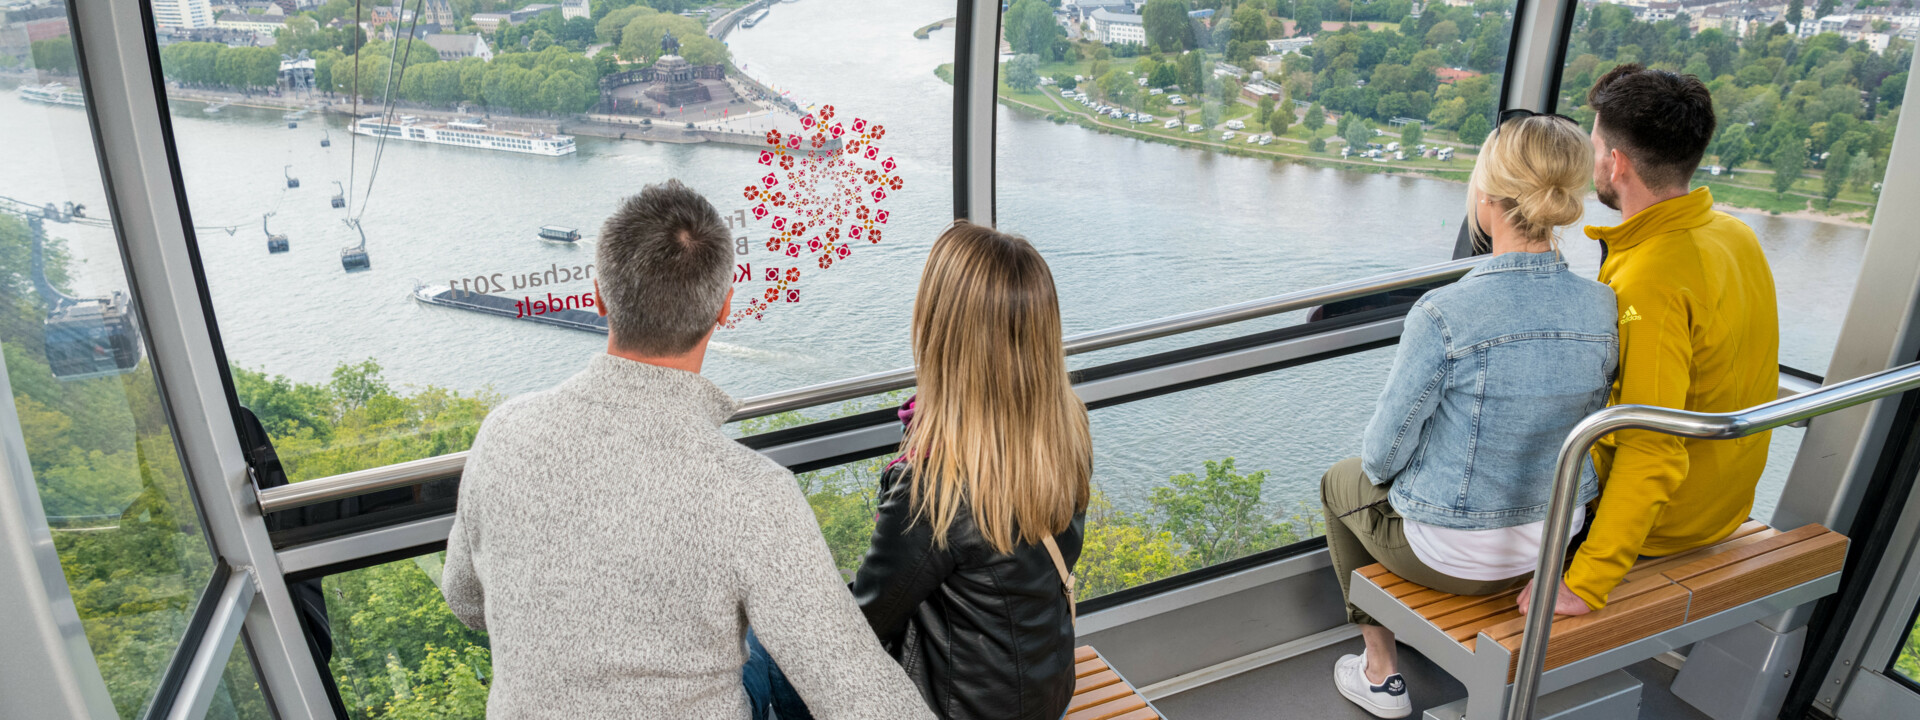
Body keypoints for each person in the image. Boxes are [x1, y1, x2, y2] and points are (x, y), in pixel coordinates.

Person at [440, 179, 934, 720]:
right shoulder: (752, 493)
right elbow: (861, 696)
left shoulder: (503, 432)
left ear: (599, 295)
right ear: (724, 307)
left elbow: (466, 602)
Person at [1323, 114, 1618, 719]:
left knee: (1339, 481)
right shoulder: (1601, 305)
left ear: (1487, 198)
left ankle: (1380, 672)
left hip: (1451, 557)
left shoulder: (1444, 312)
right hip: (1554, 544)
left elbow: (1381, 456)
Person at [743, 221, 1092, 720]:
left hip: (955, 710)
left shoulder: (935, 487)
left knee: (764, 642)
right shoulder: (1064, 429)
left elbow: (860, 630)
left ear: (942, 330)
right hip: (1039, 696)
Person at [1519, 65, 1780, 616]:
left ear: (1617, 163)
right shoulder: (1734, 235)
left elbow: (1651, 447)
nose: (1593, 161)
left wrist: (1585, 581)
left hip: (1669, 525)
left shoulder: (1650, 279)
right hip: (1722, 504)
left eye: (1595, 148)